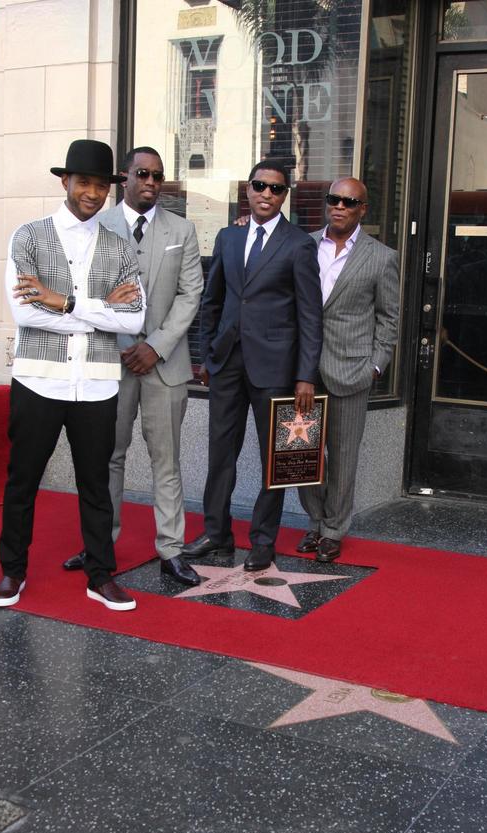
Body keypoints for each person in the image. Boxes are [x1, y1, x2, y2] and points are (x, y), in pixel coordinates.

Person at [0, 140, 145, 611]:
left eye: (102, 185)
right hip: (40, 381)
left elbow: (135, 320)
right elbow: (25, 312)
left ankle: (101, 576)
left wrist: (65, 302)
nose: (93, 193)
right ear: (66, 182)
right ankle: (12, 571)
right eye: (85, 183)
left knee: (96, 485)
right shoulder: (28, 236)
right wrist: (100, 312)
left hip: (97, 384)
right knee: (23, 481)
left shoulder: (120, 248)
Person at [63, 146, 203, 586]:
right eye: (142, 173)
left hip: (165, 365)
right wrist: (126, 343)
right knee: (107, 458)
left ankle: (171, 550)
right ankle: (98, 545)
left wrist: (155, 346)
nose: (151, 182)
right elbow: (82, 288)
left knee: (168, 462)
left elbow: (190, 295)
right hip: (110, 360)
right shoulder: (96, 224)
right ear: (124, 177)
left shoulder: (182, 228)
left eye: (158, 176)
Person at [182, 161, 323, 572]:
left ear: (284, 196)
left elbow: (310, 317)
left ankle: (263, 540)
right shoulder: (228, 236)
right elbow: (213, 301)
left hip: (276, 370)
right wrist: (207, 355)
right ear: (248, 190)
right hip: (227, 365)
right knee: (220, 453)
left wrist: (305, 376)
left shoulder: (299, 244)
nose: (266, 194)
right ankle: (217, 534)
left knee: (273, 461)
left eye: (276, 189)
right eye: (260, 186)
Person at [297, 177, 399, 562]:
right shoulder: (302, 245)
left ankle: (334, 529)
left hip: (351, 371)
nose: (339, 206)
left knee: (342, 455)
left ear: (362, 209)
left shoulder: (381, 257)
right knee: (303, 452)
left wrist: (375, 366)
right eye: (334, 199)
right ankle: (315, 522)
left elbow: (389, 319)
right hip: (303, 371)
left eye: (349, 201)